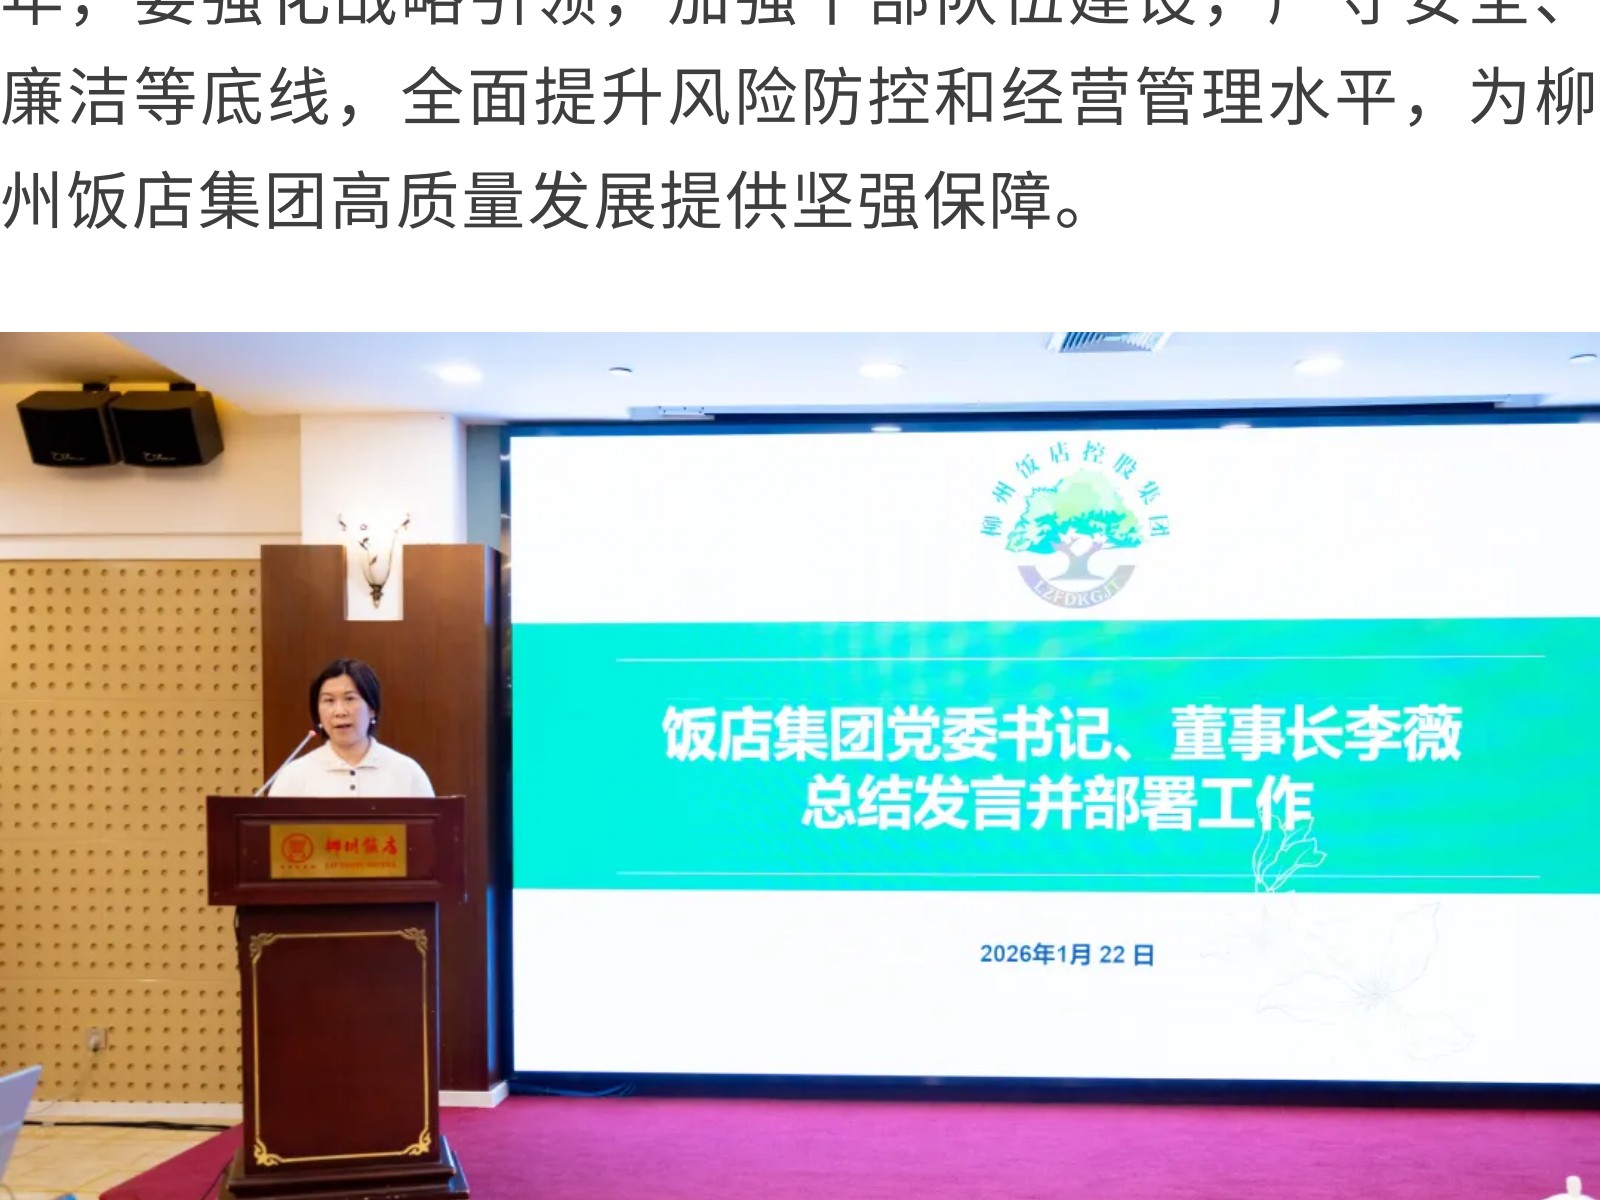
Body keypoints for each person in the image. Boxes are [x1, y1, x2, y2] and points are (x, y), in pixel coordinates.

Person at [266, 658, 434, 798]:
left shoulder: (407, 773)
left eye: (350, 699)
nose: (340, 711)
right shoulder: (293, 776)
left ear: (372, 708)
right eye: (329, 700)